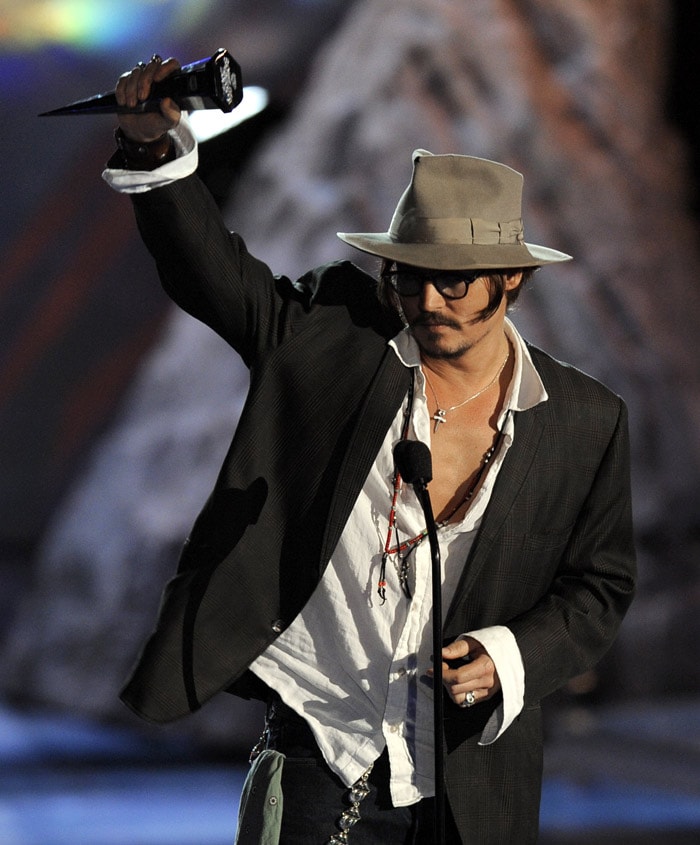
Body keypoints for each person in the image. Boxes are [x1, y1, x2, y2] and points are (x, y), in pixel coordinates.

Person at [103, 55, 636, 844]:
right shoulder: (335, 343)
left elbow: (600, 585)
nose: (427, 300)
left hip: (472, 784)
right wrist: (155, 150)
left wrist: (511, 654)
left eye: (455, 282)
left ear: (512, 280)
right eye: (408, 277)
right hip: (320, 755)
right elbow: (212, 274)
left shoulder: (584, 421)